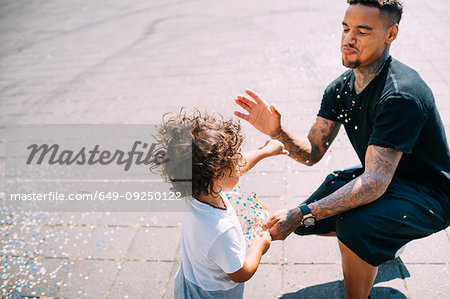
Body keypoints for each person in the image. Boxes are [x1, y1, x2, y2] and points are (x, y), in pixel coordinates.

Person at [234, 0, 450, 298]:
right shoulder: (340, 88)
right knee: (328, 197)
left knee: (355, 224)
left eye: (362, 31)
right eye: (346, 28)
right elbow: (312, 153)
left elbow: (374, 183)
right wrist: (277, 132)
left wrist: (299, 213)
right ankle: (381, 243)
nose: (348, 39)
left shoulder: (400, 95)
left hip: (430, 196)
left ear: (391, 34)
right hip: (389, 180)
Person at [158, 109, 288, 299]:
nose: (239, 162)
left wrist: (265, 151)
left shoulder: (194, 188)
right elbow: (240, 274)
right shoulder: (222, 232)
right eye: (234, 161)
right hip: (212, 294)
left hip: (190, 280)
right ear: (217, 173)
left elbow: (235, 170)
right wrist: (260, 246)